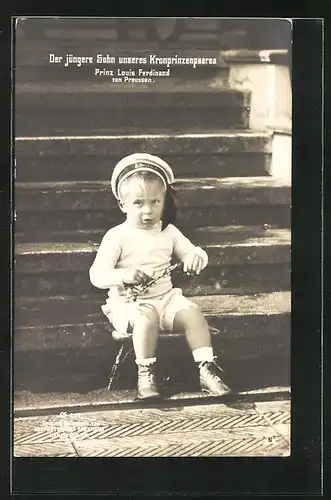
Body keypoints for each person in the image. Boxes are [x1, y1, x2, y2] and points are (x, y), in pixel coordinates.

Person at [89, 153, 231, 400]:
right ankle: (145, 372)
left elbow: (193, 251)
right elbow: (97, 275)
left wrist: (194, 257)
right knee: (147, 315)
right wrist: (124, 275)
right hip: (129, 305)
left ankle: (206, 369)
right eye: (138, 203)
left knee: (193, 314)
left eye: (155, 202)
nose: (147, 211)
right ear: (122, 205)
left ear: (164, 201)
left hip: (166, 298)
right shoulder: (117, 236)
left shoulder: (169, 232)